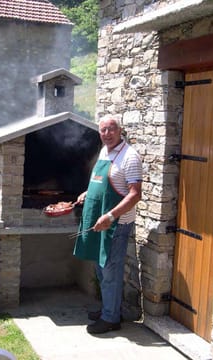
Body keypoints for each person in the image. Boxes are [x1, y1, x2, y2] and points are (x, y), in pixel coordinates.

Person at [73, 114, 142, 334]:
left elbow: (134, 195)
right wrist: (87, 192)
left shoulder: (130, 157)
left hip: (116, 225)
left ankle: (111, 319)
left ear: (120, 130)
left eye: (111, 129)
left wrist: (111, 216)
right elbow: (100, 181)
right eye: (102, 130)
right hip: (99, 221)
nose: (106, 134)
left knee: (110, 271)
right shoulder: (104, 151)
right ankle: (108, 309)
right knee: (101, 269)